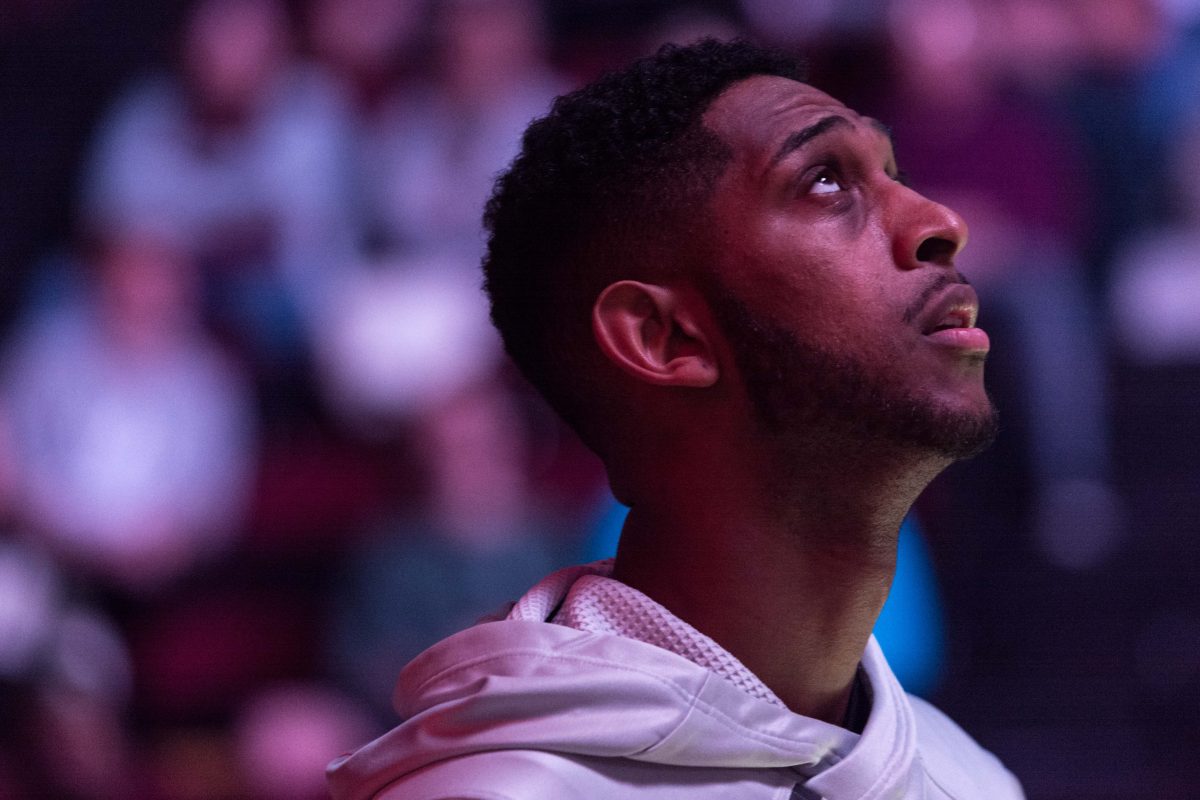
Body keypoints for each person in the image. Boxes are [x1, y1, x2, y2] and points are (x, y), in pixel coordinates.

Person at [328, 38, 1023, 799]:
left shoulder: (973, 778)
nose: (941, 220)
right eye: (825, 180)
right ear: (666, 338)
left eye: (894, 172)